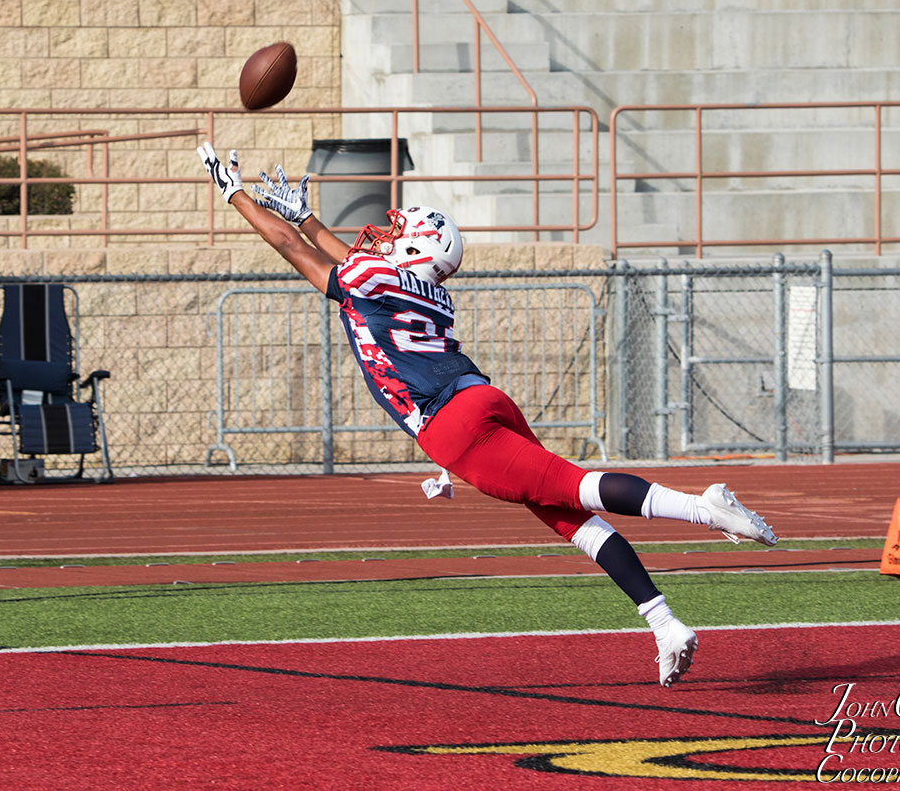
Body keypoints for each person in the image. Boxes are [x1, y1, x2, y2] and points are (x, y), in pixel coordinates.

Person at [197, 143, 778, 687]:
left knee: (575, 488)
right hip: (482, 398)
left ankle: (705, 509)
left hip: (452, 424)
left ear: (414, 251)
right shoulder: (418, 289)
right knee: (565, 513)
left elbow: (294, 251)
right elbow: (346, 260)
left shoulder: (376, 280)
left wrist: (236, 195)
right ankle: (664, 624)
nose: (380, 237)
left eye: (396, 233)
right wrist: (308, 218)